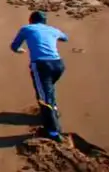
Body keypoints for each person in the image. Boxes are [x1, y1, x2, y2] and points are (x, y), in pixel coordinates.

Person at [10, 11, 69, 141]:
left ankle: (53, 132)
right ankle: (53, 111)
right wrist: (53, 36)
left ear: (30, 20)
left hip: (42, 65)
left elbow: (14, 46)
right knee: (48, 90)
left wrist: (20, 50)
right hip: (58, 65)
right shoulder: (52, 29)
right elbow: (65, 38)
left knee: (44, 97)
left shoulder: (27, 28)